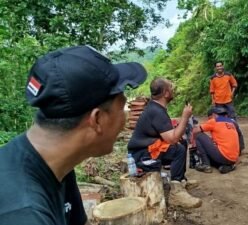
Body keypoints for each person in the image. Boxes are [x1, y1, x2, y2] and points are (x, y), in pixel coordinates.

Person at [0, 45, 148, 225]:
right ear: (97, 120)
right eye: (122, 107)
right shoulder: (24, 213)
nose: (125, 118)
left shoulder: (55, 163)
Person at [127, 77, 202, 209]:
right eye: (171, 88)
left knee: (182, 142)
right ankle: (176, 194)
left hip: (148, 148)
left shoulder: (156, 108)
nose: (173, 91)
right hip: (142, 155)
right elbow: (171, 139)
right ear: (166, 93)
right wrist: (185, 117)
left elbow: (170, 135)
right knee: (177, 149)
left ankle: (180, 181)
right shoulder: (156, 111)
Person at [193, 107, 240, 174]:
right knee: (212, 146)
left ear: (214, 115)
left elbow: (195, 131)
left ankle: (206, 164)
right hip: (233, 159)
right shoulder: (231, 122)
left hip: (223, 156)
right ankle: (227, 166)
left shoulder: (214, 121)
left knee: (199, 135)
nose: (208, 120)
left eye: (209, 118)